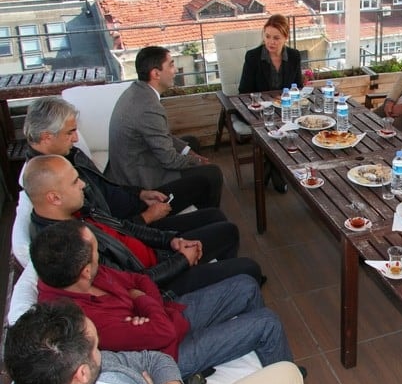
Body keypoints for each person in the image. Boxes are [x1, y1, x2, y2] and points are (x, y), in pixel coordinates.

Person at [29, 220, 321, 384]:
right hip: (168, 357)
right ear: (83, 272)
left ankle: (276, 365)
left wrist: (143, 302)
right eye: (95, 252)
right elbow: (162, 332)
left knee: (245, 285)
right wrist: (143, 301)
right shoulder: (81, 320)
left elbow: (139, 280)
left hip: (168, 318)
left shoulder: (81, 273)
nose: (100, 253)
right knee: (268, 323)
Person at [2, 301, 316, 384]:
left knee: (286, 373)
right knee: (287, 377)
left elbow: (154, 359)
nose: (104, 352)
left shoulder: (41, 374)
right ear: (82, 374)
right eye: (97, 347)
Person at [23, 154, 262, 295]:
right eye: (75, 181)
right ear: (53, 197)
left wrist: (171, 240)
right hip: (158, 283)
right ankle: (226, 288)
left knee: (228, 231)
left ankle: (220, 282)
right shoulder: (66, 246)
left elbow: (126, 228)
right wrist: (182, 261)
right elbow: (133, 283)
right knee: (249, 269)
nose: (83, 185)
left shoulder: (76, 210)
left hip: (159, 255)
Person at [23, 96, 224, 229]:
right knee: (215, 211)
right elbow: (103, 228)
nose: (75, 139)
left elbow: (105, 185)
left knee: (203, 180)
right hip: (137, 225)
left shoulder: (67, 154)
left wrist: (140, 193)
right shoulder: (54, 179)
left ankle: (198, 226)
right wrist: (148, 217)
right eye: (70, 132)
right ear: (47, 137)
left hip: (135, 204)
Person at [108, 46, 223, 208]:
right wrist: (197, 161)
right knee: (213, 173)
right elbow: (169, 160)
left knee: (190, 143)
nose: (175, 70)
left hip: (137, 161)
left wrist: (188, 152)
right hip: (140, 180)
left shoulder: (138, 91)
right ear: (156, 74)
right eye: (171, 65)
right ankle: (207, 217)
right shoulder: (147, 107)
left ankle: (194, 199)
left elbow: (161, 136)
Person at [238, 14, 303, 193]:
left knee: (295, 123)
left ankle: (269, 168)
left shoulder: (294, 56)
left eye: (276, 38)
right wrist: (268, 102)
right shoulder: (253, 57)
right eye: (267, 36)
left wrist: (285, 100)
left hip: (285, 107)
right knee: (273, 126)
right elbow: (244, 91)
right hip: (258, 109)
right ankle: (278, 170)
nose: (271, 42)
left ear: (285, 38)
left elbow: (298, 87)